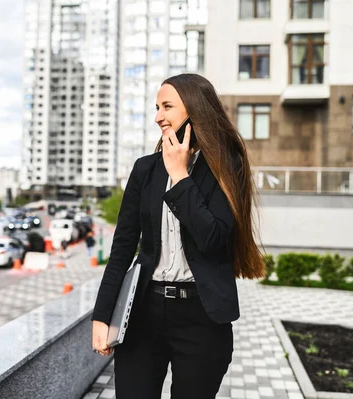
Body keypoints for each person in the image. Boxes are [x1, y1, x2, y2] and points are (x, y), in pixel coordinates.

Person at [91, 73, 265, 399]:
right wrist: (102, 316)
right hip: (143, 313)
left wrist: (180, 175)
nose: (158, 116)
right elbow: (123, 247)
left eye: (167, 106)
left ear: (194, 109)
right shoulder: (144, 170)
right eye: (157, 107)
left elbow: (212, 239)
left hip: (202, 318)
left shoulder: (228, 167)